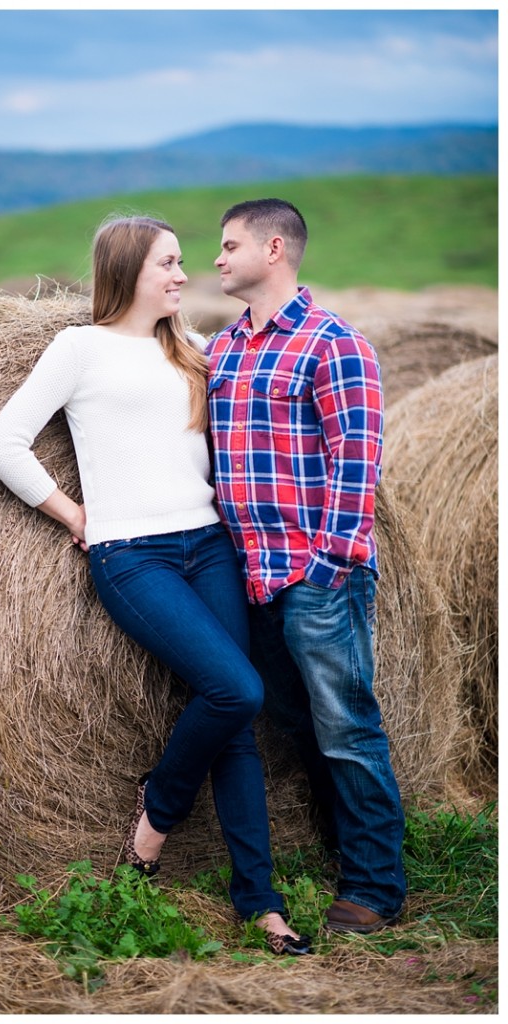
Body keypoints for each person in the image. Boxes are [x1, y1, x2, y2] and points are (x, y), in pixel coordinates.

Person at [0, 214, 311, 956]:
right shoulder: (79, 349)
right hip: (133, 557)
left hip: (209, 546)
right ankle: (155, 820)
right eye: (169, 263)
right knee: (237, 691)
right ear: (129, 268)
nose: (183, 275)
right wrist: (74, 515)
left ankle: (260, 903)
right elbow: (2, 442)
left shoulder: (191, 349)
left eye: (183, 262)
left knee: (237, 727)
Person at [206, 198, 406, 934]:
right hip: (251, 577)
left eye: (230, 246)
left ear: (276, 247)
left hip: (315, 576)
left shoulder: (334, 345)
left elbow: (358, 467)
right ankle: (338, 848)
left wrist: (327, 568)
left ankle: (377, 886)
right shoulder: (223, 350)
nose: (218, 259)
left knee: (347, 729)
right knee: (294, 728)